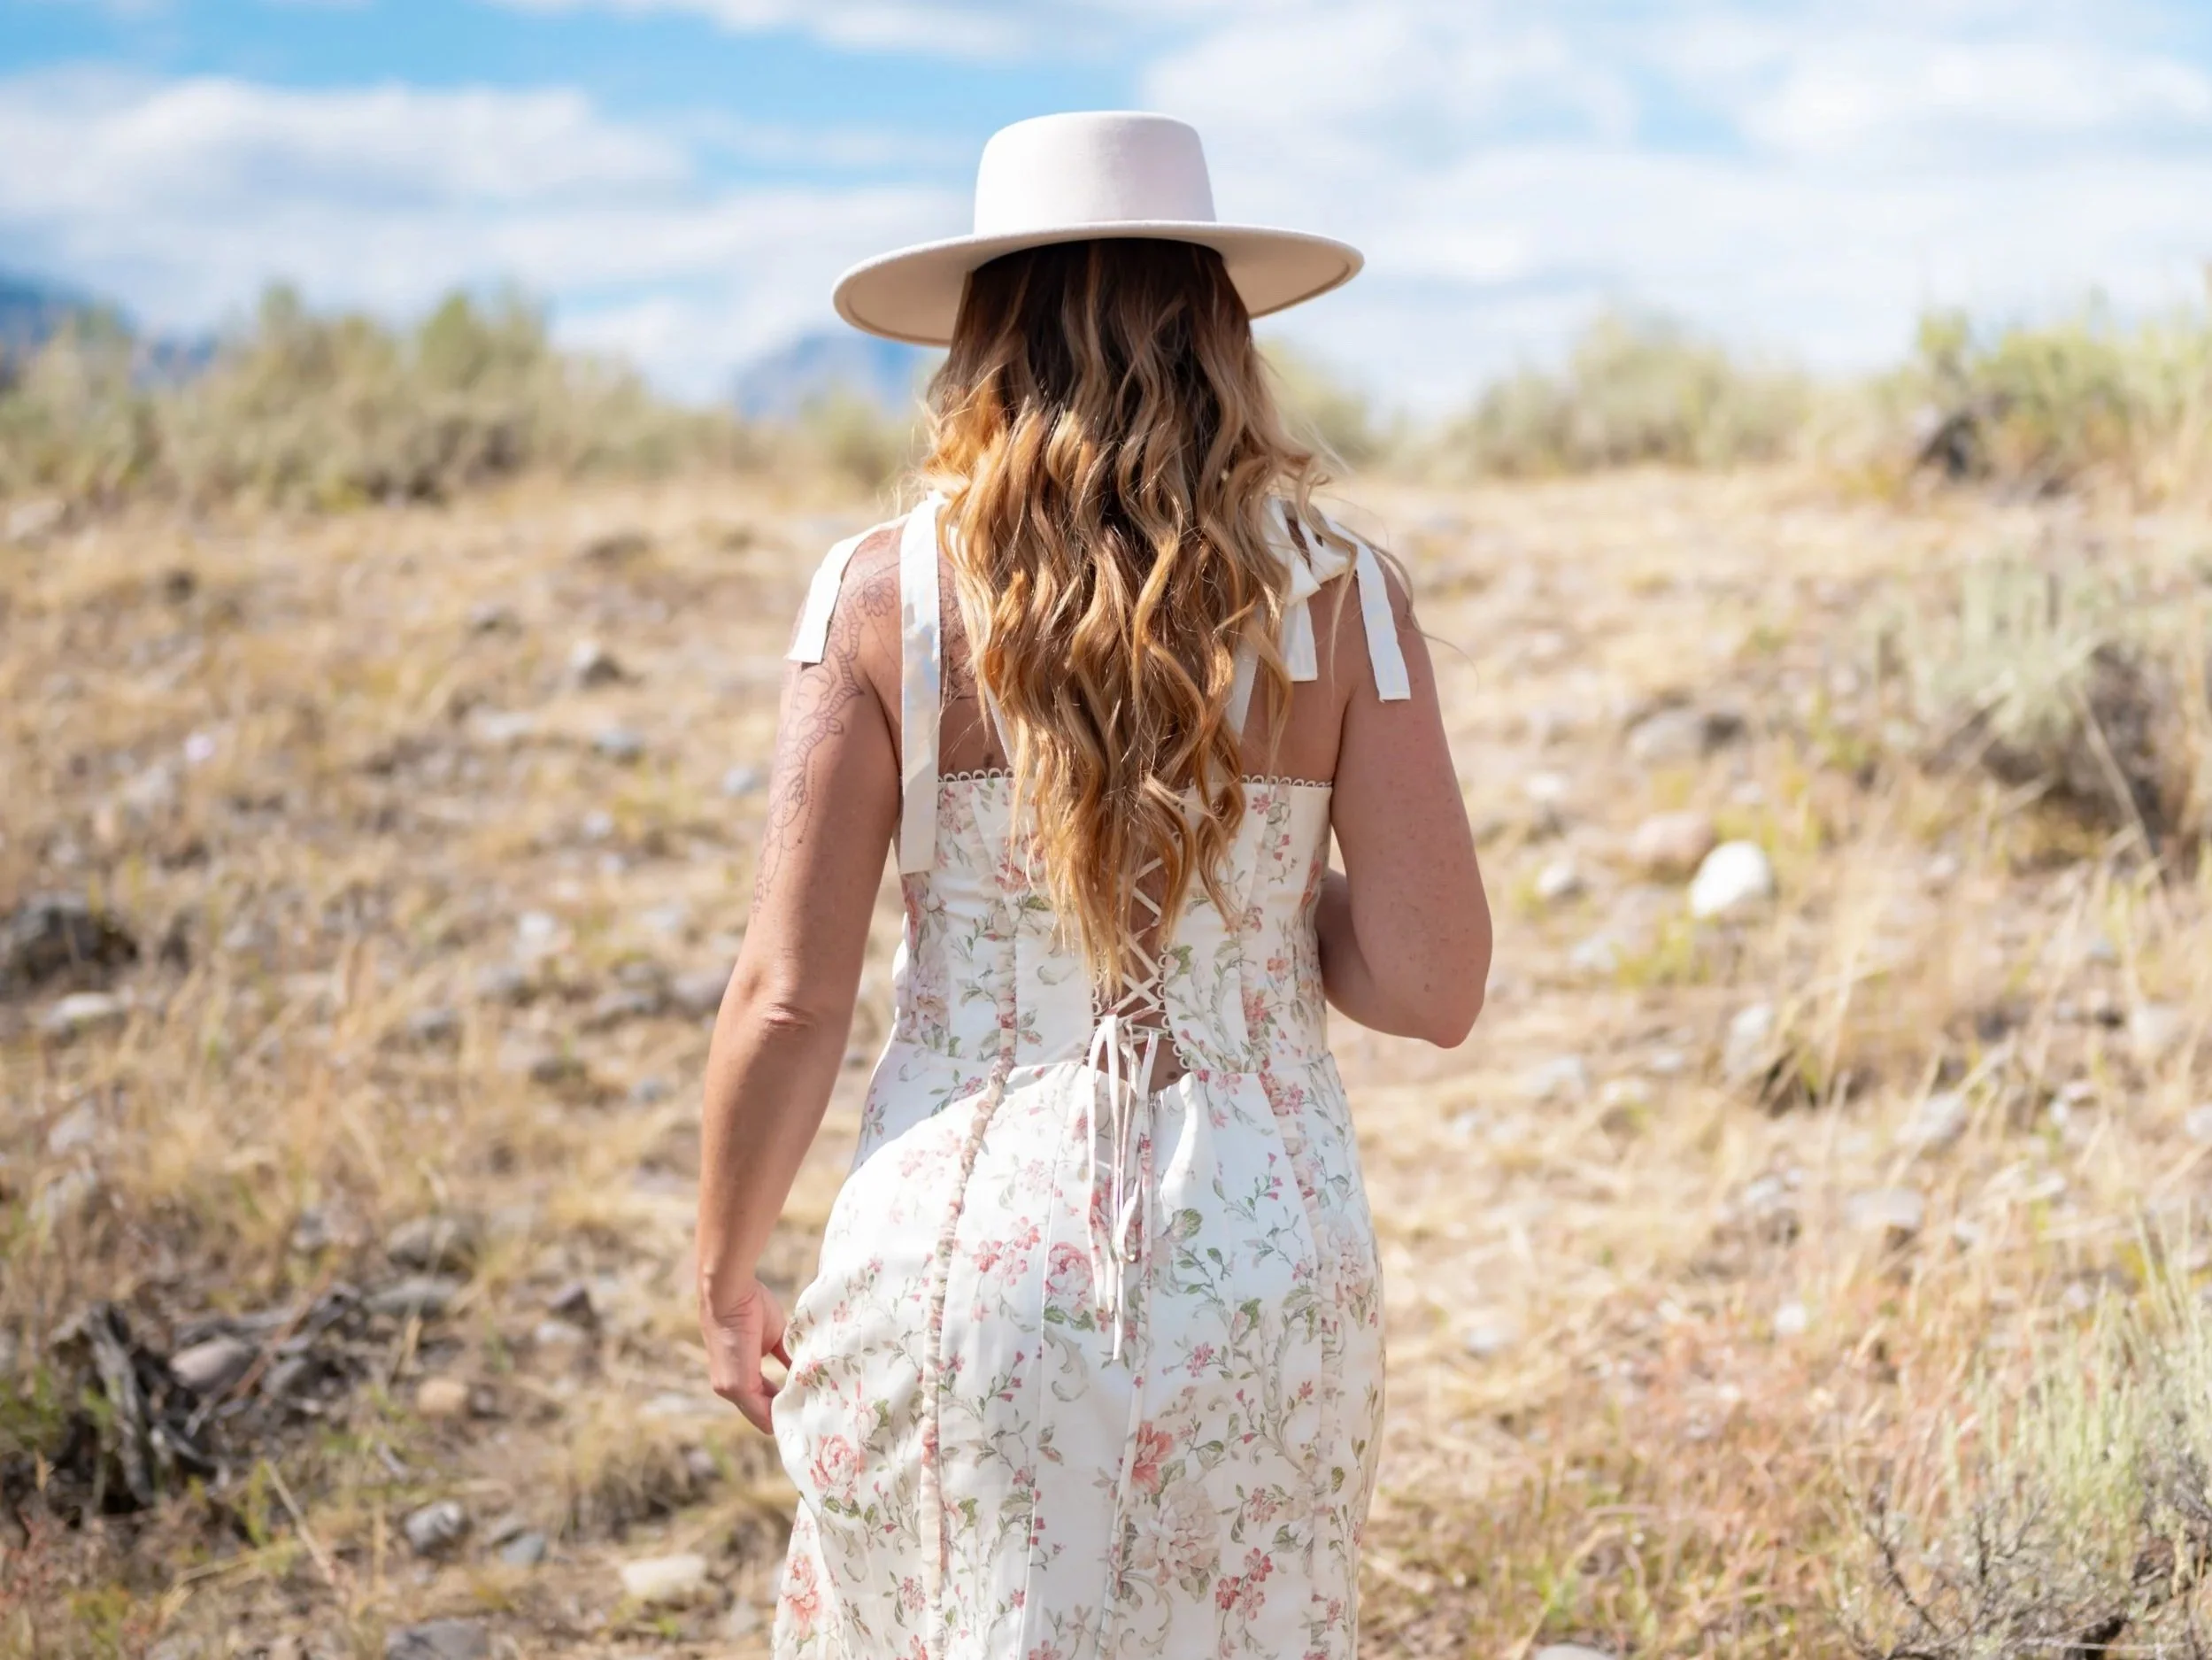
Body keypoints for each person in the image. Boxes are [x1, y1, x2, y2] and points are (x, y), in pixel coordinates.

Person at [696, 111, 1490, 1660]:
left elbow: (790, 994)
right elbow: (1428, 981)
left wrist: (726, 1266)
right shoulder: (1345, 597)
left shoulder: (883, 593)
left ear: (981, 333)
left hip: (961, 1263)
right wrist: (1258, 888)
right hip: (1262, 1251)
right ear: (1219, 327)